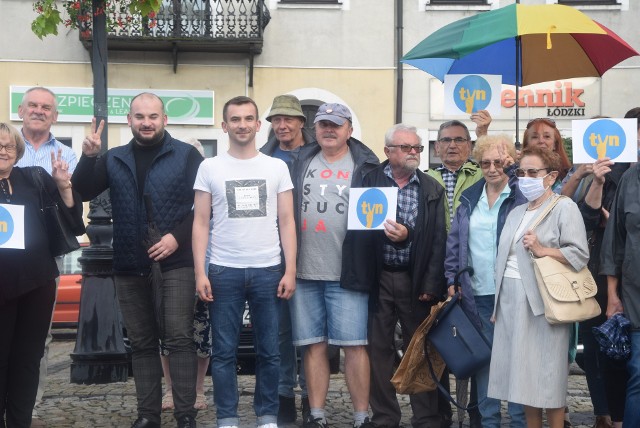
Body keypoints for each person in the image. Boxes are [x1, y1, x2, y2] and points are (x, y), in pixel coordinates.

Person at [72, 92, 203, 428]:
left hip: (176, 261)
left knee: (178, 338)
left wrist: (176, 238)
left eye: (153, 116)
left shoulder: (187, 156)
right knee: (143, 343)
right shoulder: (113, 158)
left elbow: (205, 209)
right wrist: (88, 157)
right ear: (129, 120)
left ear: (164, 120)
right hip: (129, 262)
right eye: (140, 117)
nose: (147, 123)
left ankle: (185, 414)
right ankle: (148, 415)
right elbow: (82, 191)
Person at [192, 95, 297, 428]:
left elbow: (287, 220)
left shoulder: (276, 167)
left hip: (269, 270)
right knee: (223, 354)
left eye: (248, 119)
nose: (242, 125)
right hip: (223, 271)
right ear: (225, 126)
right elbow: (201, 223)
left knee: (270, 352)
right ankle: (227, 418)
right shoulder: (209, 167)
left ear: (257, 124)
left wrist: (290, 269)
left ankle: (267, 416)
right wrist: (200, 272)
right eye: (235, 119)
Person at [290, 103, 379, 428]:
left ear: (349, 130)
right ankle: (316, 416)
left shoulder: (366, 165)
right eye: (323, 124)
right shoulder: (300, 161)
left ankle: (360, 417)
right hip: (303, 272)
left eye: (336, 125)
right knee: (313, 346)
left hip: (348, 273)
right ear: (314, 129)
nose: (329, 129)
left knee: (355, 346)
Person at [488, 146, 589, 428]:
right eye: (521, 172)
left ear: (551, 176)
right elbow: (501, 260)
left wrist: (544, 250)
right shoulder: (517, 211)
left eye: (533, 172)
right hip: (510, 302)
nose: (525, 178)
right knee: (522, 381)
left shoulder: (564, 207)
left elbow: (579, 255)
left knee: (548, 379)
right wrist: (498, 304)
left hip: (544, 302)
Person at [361, 124, 447, 427]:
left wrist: (431, 283)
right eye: (407, 147)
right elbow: (357, 232)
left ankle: (426, 418)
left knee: (420, 348)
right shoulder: (368, 180)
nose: (414, 153)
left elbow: (438, 239)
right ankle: (385, 416)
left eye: (417, 148)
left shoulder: (430, 187)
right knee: (378, 350)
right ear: (388, 151)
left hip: (416, 279)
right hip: (378, 277)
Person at [0, 122, 84, 428]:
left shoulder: (33, 178)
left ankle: (20, 421)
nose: (3, 151)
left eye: (9, 146)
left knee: (28, 358)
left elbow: (72, 223)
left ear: (17, 152)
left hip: (36, 281)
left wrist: (64, 187)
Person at [444, 134, 526, 428]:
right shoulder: (469, 197)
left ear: (510, 163)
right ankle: (489, 422)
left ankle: (519, 422)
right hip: (476, 293)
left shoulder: (521, 195)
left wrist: (514, 170)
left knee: (516, 363)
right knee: (486, 363)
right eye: (485, 163)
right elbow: (455, 242)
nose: (492, 169)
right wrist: (451, 278)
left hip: (514, 292)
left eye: (500, 163)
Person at [16, 86, 78, 428]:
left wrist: (66, 185)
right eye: (33, 106)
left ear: (55, 116)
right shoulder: (5, 144)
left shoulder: (67, 156)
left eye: (46, 108)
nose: (39, 111)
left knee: (38, 334)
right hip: (3, 255)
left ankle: (30, 407)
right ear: (21, 110)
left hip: (42, 257)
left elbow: (72, 212)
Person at [261, 94, 314, 424]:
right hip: (273, 255)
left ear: (300, 123)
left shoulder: (316, 153)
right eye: (276, 120)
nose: (282, 125)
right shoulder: (264, 156)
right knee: (278, 333)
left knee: (310, 333)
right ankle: (283, 398)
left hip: (315, 252)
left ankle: (312, 397)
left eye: (288, 119)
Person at [161, 138, 212, 413]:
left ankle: (199, 389)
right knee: (169, 332)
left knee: (202, 332)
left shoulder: (209, 188)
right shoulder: (172, 194)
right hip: (175, 267)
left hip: (204, 268)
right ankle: (170, 389)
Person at [599, 107, 640, 428]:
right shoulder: (629, 179)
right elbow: (613, 245)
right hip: (635, 296)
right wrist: (612, 296)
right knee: (638, 375)